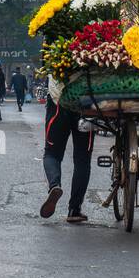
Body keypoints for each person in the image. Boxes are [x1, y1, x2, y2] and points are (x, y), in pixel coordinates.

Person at [40, 91, 94, 223]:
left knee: (52, 153)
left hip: (59, 103)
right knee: (83, 159)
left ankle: (54, 185)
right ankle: (74, 209)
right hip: (86, 104)